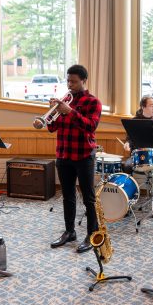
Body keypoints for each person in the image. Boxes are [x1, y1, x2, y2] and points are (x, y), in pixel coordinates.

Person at [35, 65, 102, 254]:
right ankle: (70, 231)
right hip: (63, 154)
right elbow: (52, 127)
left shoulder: (93, 102)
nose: (70, 84)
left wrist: (70, 111)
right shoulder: (64, 101)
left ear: (83, 81)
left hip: (83, 156)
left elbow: (91, 126)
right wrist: (49, 115)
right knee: (68, 196)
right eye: (68, 81)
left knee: (88, 198)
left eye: (74, 81)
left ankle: (92, 234)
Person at [122, 96, 153, 173]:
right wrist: (127, 143)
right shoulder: (134, 121)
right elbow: (129, 138)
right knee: (127, 166)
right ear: (143, 107)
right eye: (152, 106)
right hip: (137, 157)